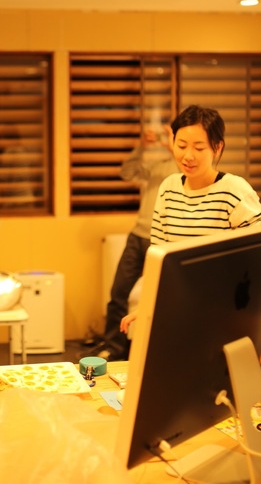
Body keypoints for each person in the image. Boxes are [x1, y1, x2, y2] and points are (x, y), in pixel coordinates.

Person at [118, 104, 261, 332]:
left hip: (224, 310)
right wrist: (148, 306)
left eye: (199, 147)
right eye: (181, 145)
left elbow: (260, 257)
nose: (188, 156)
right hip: (179, 307)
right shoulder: (168, 188)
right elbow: (159, 258)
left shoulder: (235, 190)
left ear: (217, 147)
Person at [96, 124, 178, 361]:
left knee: (162, 298)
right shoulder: (158, 166)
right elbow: (127, 173)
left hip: (164, 240)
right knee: (118, 293)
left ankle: (156, 351)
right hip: (138, 235)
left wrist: (174, 149)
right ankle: (113, 348)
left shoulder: (186, 169)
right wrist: (142, 146)